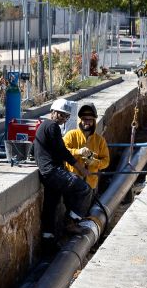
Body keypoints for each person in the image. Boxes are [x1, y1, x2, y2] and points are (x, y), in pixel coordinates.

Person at [33, 97, 92, 235]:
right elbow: (62, 151)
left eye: (65, 116)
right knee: (84, 189)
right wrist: (80, 168)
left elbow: (36, 148)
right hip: (53, 172)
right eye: (60, 114)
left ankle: (49, 240)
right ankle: (71, 222)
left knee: (51, 206)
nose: (62, 118)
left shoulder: (43, 126)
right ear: (52, 112)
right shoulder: (52, 126)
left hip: (47, 174)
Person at [63, 102, 110, 193]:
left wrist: (94, 162)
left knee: (87, 206)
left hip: (90, 184)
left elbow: (106, 162)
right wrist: (78, 152)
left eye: (90, 120)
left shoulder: (100, 140)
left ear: (94, 121)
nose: (87, 122)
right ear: (80, 120)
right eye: (84, 119)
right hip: (72, 183)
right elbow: (62, 152)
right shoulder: (71, 135)